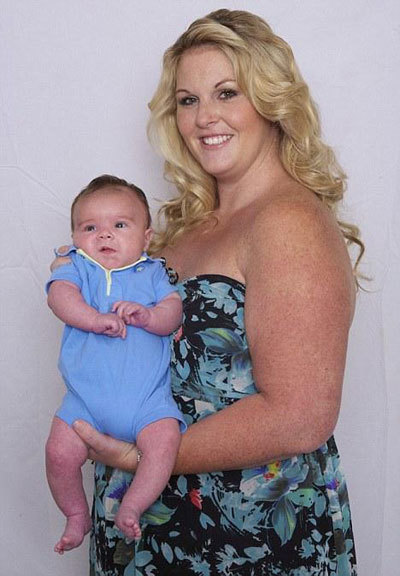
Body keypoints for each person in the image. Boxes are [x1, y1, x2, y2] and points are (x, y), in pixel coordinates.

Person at [53, 9, 363, 575]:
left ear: (270, 101)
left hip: (244, 538)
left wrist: (141, 457)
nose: (203, 118)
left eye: (226, 93)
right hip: (151, 529)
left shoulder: (287, 221)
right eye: (188, 100)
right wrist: (86, 273)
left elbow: (299, 416)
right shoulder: (186, 226)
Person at [45, 175, 185, 554]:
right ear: (75, 237)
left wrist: (149, 316)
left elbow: (173, 312)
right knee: (58, 453)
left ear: (146, 237)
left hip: (146, 403)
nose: (104, 235)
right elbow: (59, 297)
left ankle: (133, 506)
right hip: (84, 403)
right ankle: (76, 514)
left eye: (120, 225)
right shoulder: (77, 266)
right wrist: (93, 319)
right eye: (90, 228)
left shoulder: (152, 272)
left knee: (164, 442)